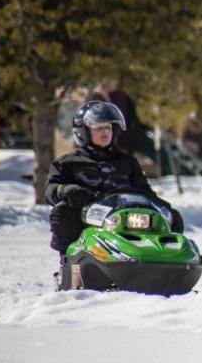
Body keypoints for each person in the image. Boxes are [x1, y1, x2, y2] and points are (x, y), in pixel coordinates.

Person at [45, 101, 184, 257]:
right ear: (83, 132)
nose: (105, 132)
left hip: (124, 217)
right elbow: (51, 189)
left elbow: (145, 193)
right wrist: (67, 190)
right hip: (87, 217)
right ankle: (70, 259)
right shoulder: (66, 163)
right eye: (99, 127)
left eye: (108, 127)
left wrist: (165, 209)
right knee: (62, 210)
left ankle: (164, 255)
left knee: (173, 217)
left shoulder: (127, 162)